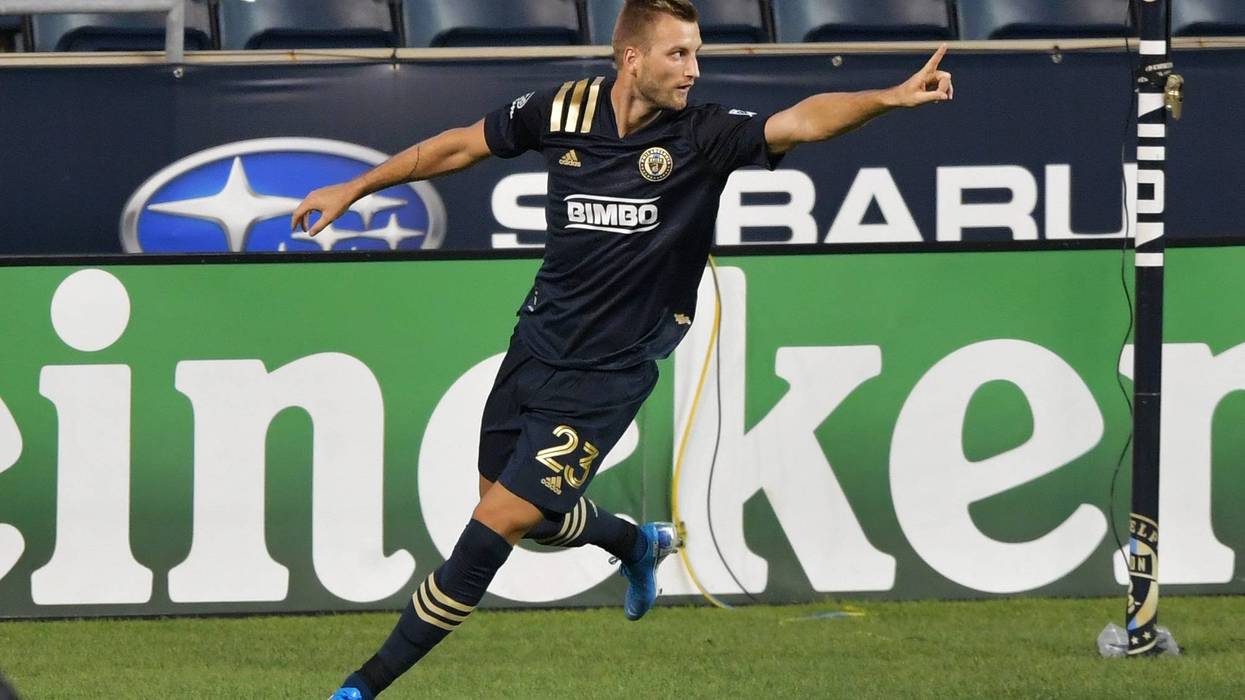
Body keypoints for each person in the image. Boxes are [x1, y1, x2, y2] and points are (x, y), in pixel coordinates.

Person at [293, 1, 953, 697]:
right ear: (632, 58)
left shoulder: (702, 134)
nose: (693, 70)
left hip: (609, 372)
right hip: (537, 342)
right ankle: (635, 543)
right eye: (678, 55)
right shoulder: (562, 110)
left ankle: (362, 686)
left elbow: (802, 120)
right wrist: (356, 185)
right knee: (527, 516)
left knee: (495, 525)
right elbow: (462, 145)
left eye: (696, 54)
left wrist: (887, 98)